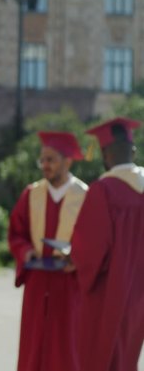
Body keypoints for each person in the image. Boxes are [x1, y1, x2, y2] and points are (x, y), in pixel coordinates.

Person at [7, 131, 87, 371]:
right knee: (34, 347)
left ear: (68, 161)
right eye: (42, 160)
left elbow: (96, 241)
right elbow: (16, 233)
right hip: (38, 282)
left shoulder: (86, 196)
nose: (45, 165)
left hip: (69, 285)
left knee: (67, 349)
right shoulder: (31, 194)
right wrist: (26, 251)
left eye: (51, 159)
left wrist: (79, 258)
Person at [71, 117, 144, 371]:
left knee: (99, 357)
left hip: (107, 294)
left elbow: (89, 252)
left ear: (104, 154)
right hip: (139, 297)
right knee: (128, 357)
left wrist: (73, 260)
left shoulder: (104, 191)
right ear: (133, 151)